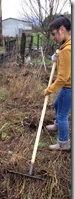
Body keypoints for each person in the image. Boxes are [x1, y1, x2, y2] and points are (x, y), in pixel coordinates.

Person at [45, 16, 71, 150]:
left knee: (62, 115)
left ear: (62, 29)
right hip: (67, 86)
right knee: (56, 104)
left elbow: (62, 78)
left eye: (54, 34)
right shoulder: (66, 45)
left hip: (69, 88)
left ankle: (64, 142)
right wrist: (59, 56)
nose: (54, 37)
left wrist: (49, 89)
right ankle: (58, 125)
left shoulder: (67, 50)